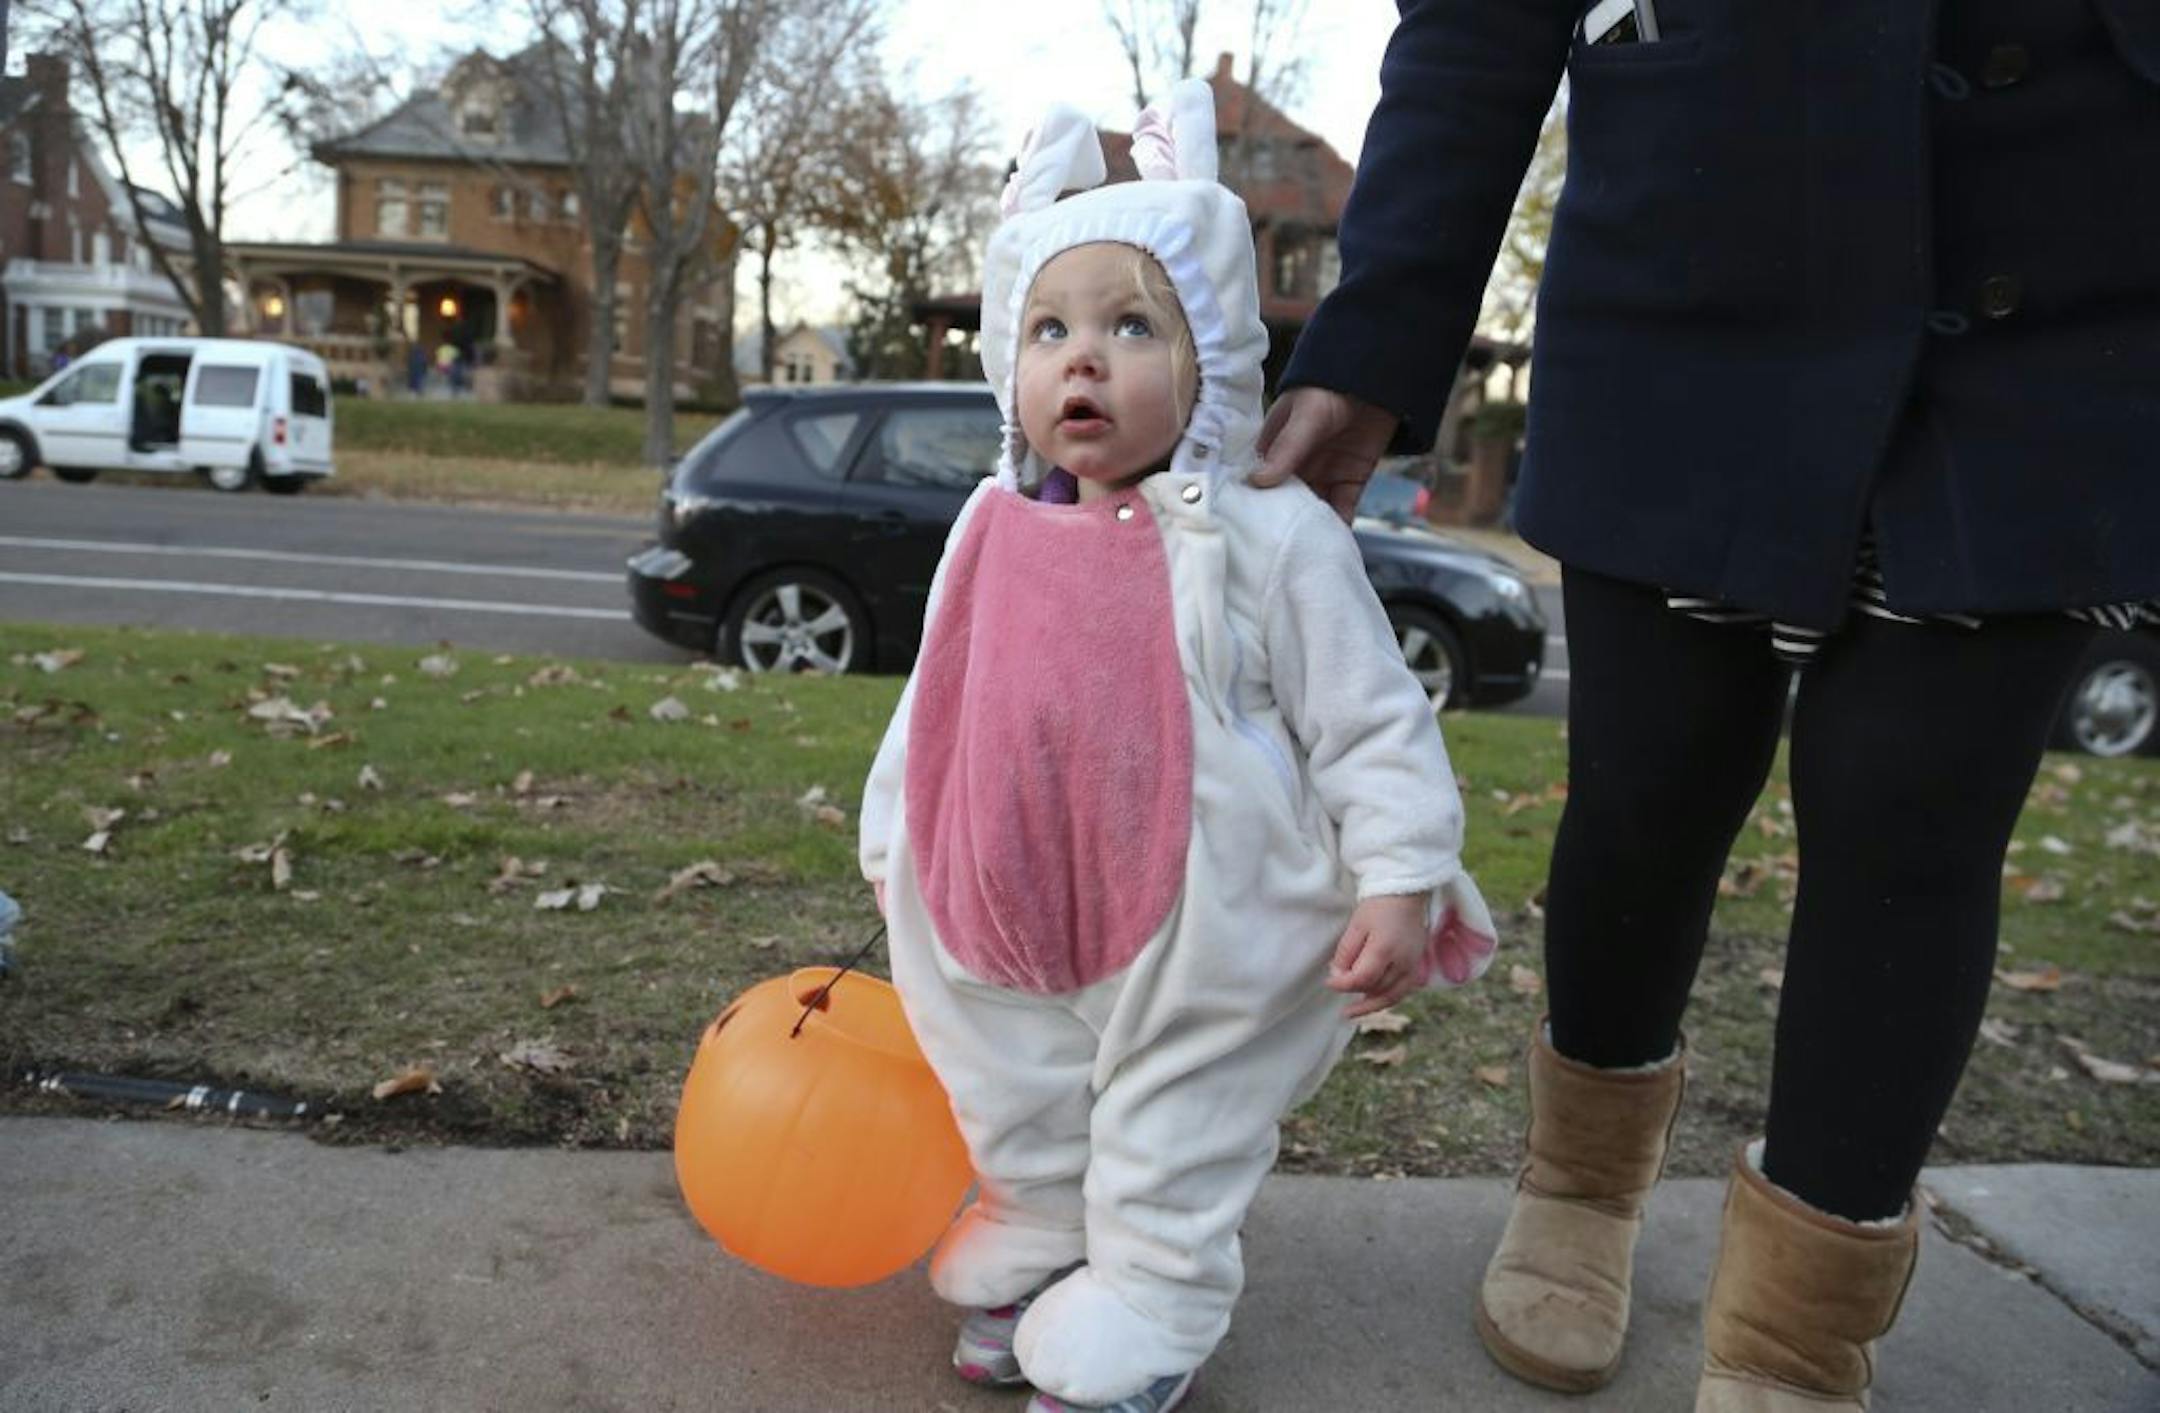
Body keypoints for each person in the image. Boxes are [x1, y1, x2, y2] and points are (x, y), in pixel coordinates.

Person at [1257, 4, 2159, 1409]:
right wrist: (1371, 342)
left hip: (2068, 273)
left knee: (1918, 832)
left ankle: (1801, 1331)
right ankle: (1582, 1182)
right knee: (1648, 787)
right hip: (1702, 243)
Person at [858, 81, 1498, 1413]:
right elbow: (942, 695)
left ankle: (1150, 1304)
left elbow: (1367, 710)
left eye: (1130, 324)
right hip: (999, 895)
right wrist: (894, 832)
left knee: (1173, 1118)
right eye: (1049, 328)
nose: (1081, 359)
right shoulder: (987, 525)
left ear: (1209, 354)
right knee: (1011, 1078)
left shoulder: (1267, 538)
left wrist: (1398, 869)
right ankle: (1044, 1226)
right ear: (1006, 361)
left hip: (1204, 922)